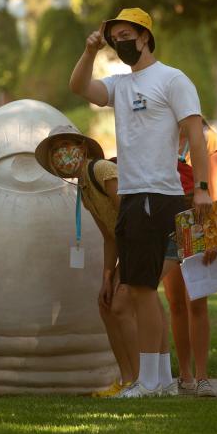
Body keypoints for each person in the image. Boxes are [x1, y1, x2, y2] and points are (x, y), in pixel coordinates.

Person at [69, 7, 213, 398]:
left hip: (156, 195)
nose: (120, 42)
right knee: (142, 290)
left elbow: (196, 136)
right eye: (114, 37)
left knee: (142, 291)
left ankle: (150, 381)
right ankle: (160, 379)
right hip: (134, 197)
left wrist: (202, 187)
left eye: (126, 35)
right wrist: (90, 51)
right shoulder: (120, 85)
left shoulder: (172, 79)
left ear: (145, 36)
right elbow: (80, 87)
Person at [34, 125, 139, 396]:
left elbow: (130, 216)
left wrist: (124, 269)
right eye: (56, 150)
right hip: (126, 248)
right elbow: (109, 236)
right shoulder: (83, 188)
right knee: (106, 305)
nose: (62, 154)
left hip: (144, 242)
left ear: (82, 147)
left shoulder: (101, 170)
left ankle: (141, 380)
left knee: (121, 305)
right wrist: (107, 277)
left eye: (67, 145)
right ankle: (126, 379)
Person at [162, 121, 217, 397]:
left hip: (198, 225)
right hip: (167, 224)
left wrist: (213, 234)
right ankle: (184, 374)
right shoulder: (161, 133)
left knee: (196, 302)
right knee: (175, 303)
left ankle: (202, 377)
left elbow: (216, 191)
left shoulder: (208, 139)